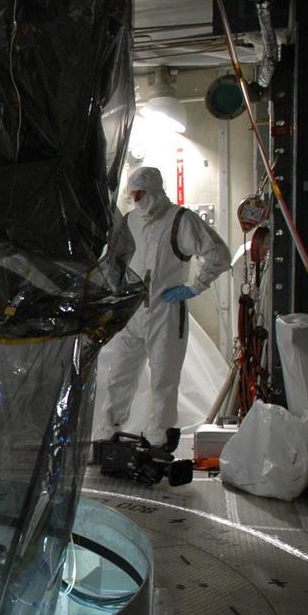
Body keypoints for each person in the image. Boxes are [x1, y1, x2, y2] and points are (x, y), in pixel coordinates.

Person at [104, 166, 232, 446]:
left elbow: (219, 254)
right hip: (132, 311)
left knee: (164, 378)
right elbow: (114, 261)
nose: (137, 200)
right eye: (133, 195)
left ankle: (159, 437)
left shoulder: (180, 220)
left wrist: (195, 287)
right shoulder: (129, 222)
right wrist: (115, 294)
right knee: (119, 375)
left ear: (155, 191)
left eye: (141, 193)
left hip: (166, 311)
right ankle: (108, 432)